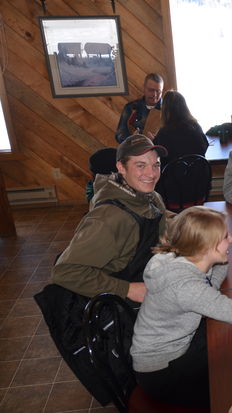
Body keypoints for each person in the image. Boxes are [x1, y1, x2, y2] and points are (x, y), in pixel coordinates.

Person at [34, 135, 168, 405]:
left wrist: (197, 223)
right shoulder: (110, 218)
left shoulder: (149, 197)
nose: (151, 173)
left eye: (156, 164)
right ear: (121, 168)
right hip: (118, 308)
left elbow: (161, 225)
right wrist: (129, 289)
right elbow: (65, 272)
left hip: (144, 286)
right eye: (140, 165)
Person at [131, 206, 232, 408]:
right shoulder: (187, 287)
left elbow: (211, 278)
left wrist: (217, 257)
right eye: (225, 237)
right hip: (164, 372)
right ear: (204, 247)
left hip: (174, 348)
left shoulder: (181, 259)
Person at [152, 90, 209, 167]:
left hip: (173, 177)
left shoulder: (164, 133)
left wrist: (152, 141)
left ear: (165, 110)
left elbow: (157, 154)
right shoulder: (195, 126)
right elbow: (205, 146)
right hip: (199, 175)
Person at [115, 73, 164, 143]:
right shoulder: (131, 107)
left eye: (158, 91)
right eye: (151, 90)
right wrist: (131, 139)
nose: (154, 95)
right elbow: (119, 134)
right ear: (144, 88)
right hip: (135, 151)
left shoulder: (168, 110)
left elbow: (174, 138)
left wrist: (156, 140)